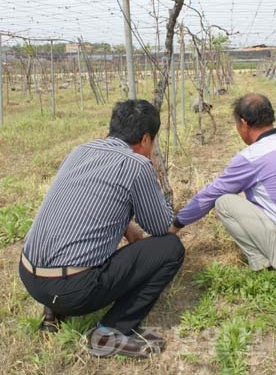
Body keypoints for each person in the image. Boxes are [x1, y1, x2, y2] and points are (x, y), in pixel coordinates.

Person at [19, 99, 185, 358]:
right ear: (145, 139)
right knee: (171, 248)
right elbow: (161, 226)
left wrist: (125, 224)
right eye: (152, 143)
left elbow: (81, 203)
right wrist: (156, 179)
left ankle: (52, 314)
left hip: (29, 276)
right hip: (72, 291)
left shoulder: (80, 151)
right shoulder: (137, 165)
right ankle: (110, 332)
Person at [170, 93, 276, 275]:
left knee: (224, 202)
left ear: (243, 123)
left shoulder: (251, 158)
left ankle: (263, 264)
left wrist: (176, 224)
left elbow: (210, 194)